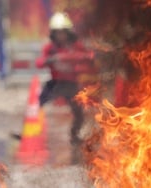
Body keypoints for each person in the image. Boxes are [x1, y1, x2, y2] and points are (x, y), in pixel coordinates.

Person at [36, 12, 93, 163]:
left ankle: (74, 136)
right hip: (56, 83)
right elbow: (39, 62)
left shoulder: (76, 46)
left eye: (63, 32)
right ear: (53, 34)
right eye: (57, 33)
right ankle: (30, 135)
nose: (61, 36)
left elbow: (89, 56)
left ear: (68, 33)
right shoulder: (50, 48)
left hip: (71, 84)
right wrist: (50, 59)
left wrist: (66, 57)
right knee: (37, 105)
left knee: (79, 113)